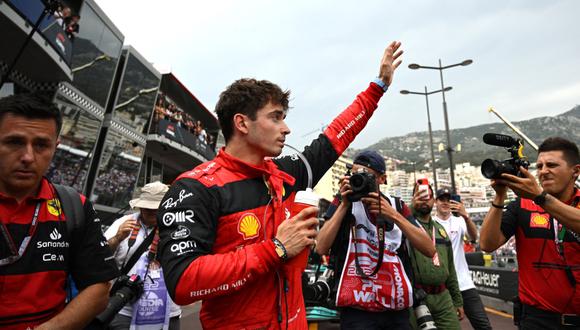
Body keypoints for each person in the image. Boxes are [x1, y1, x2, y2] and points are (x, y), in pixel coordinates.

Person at [157, 41, 403, 329]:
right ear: (242, 123)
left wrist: (378, 87)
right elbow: (184, 283)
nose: (286, 128)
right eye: (275, 117)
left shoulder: (286, 174)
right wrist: (275, 249)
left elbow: (335, 138)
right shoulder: (194, 188)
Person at [0, 93, 118, 329]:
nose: (28, 157)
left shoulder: (74, 206)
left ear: (56, 147)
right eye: (15, 142)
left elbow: (99, 287)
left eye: (41, 145)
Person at [315, 150, 435, 329]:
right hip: (357, 308)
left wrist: (393, 215)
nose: (359, 180)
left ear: (382, 179)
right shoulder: (343, 202)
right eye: (355, 175)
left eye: (366, 176)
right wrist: (344, 205)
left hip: (394, 306)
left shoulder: (396, 205)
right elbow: (321, 248)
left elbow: (429, 249)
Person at [480, 136, 580, 329]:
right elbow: (487, 244)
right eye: (539, 166)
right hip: (536, 320)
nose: (544, 171)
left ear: (575, 172)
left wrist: (540, 197)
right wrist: (500, 196)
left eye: (551, 165)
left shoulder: (536, 198)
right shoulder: (522, 206)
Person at [104, 181, 181, 330]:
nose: (150, 212)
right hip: (124, 309)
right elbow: (99, 257)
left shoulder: (178, 226)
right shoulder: (122, 223)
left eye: (155, 208)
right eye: (146, 207)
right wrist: (118, 238)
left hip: (166, 311)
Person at [433, 188, 491, 330]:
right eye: (442, 200)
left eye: (449, 200)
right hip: (443, 286)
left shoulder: (459, 221)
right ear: (436, 202)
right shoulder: (431, 223)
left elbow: (474, 237)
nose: (446, 203)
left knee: (483, 325)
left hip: (464, 283)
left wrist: (466, 216)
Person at [409, 183, 464, 329]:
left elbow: (451, 269)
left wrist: (457, 301)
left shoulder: (441, 231)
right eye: (419, 196)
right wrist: (410, 208)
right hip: (416, 298)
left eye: (428, 197)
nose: (424, 200)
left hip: (443, 297)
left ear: (433, 201)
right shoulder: (405, 226)